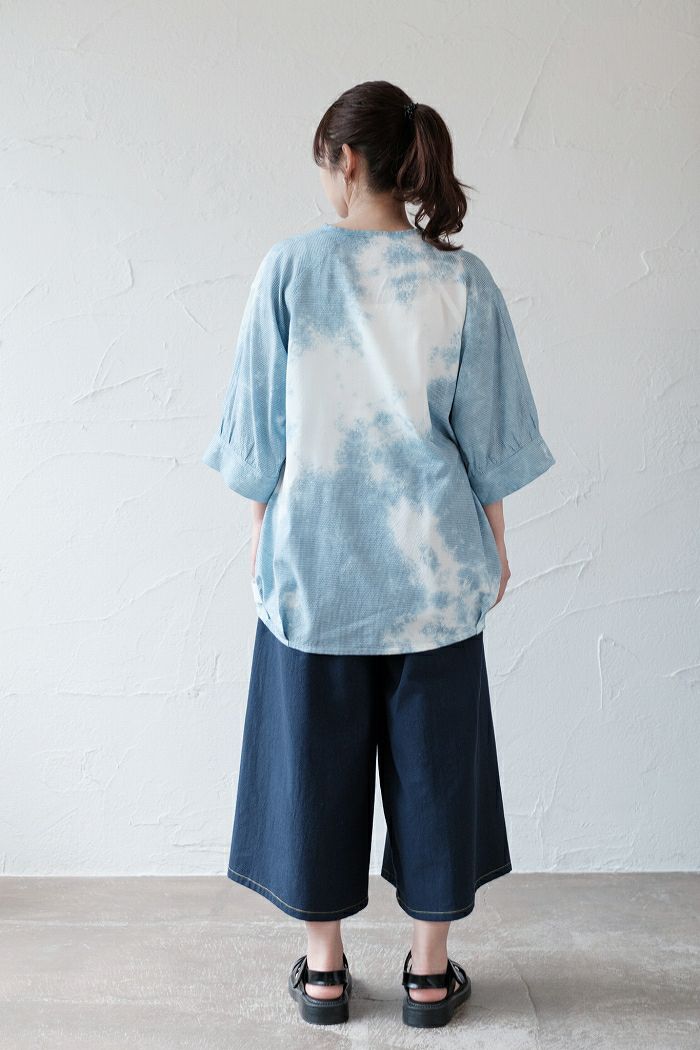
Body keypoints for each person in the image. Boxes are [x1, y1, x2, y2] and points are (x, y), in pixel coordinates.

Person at [201, 80, 556, 1029]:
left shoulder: (289, 269)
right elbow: (490, 439)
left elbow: (258, 439)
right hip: (432, 571)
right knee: (438, 769)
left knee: (312, 766)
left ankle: (324, 972)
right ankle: (429, 975)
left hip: (314, 570)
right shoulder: (461, 280)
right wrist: (495, 546)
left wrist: (261, 536)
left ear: (346, 160)